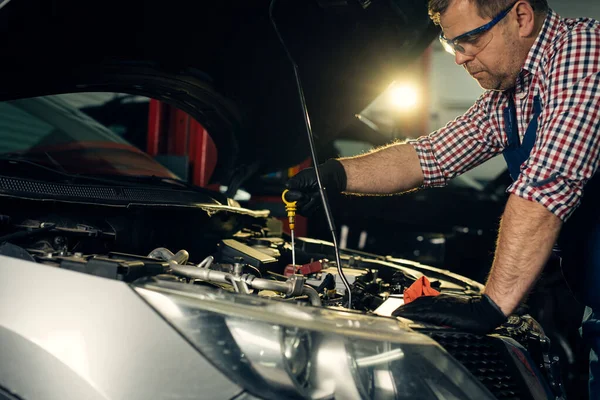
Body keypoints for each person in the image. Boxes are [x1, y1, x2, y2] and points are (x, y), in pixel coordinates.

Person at [285, 0, 600, 397]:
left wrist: (491, 306)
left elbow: (546, 186)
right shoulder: (516, 88)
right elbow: (431, 155)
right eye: (452, 44)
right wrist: (335, 174)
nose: (460, 58)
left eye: (471, 40)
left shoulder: (585, 53)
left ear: (521, 17)